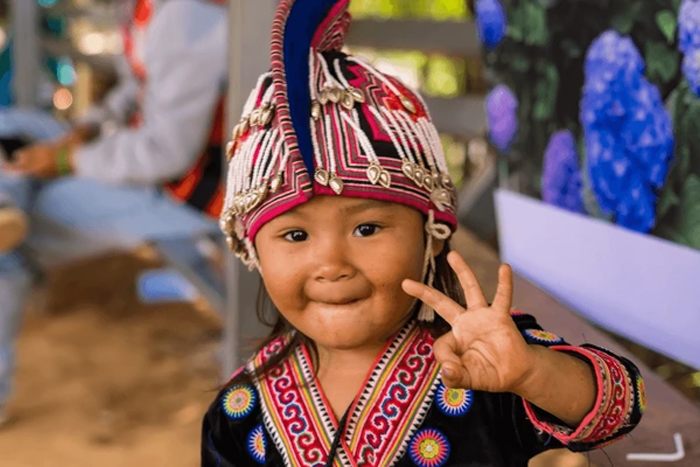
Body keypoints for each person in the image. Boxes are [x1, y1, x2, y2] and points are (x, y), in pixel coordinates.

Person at [201, 0, 645, 465]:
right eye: (295, 236)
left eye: (367, 228)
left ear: (431, 233)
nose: (331, 264)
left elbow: (625, 405)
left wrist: (533, 372)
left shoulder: (483, 359)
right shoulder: (238, 413)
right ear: (252, 250)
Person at [0, 0, 227, 427]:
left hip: (186, 194)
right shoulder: (149, 7)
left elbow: (167, 154)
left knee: (8, 246)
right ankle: (6, 204)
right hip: (145, 168)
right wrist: (84, 130)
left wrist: (69, 161)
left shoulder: (185, 18)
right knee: (10, 123)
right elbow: (134, 88)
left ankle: (10, 210)